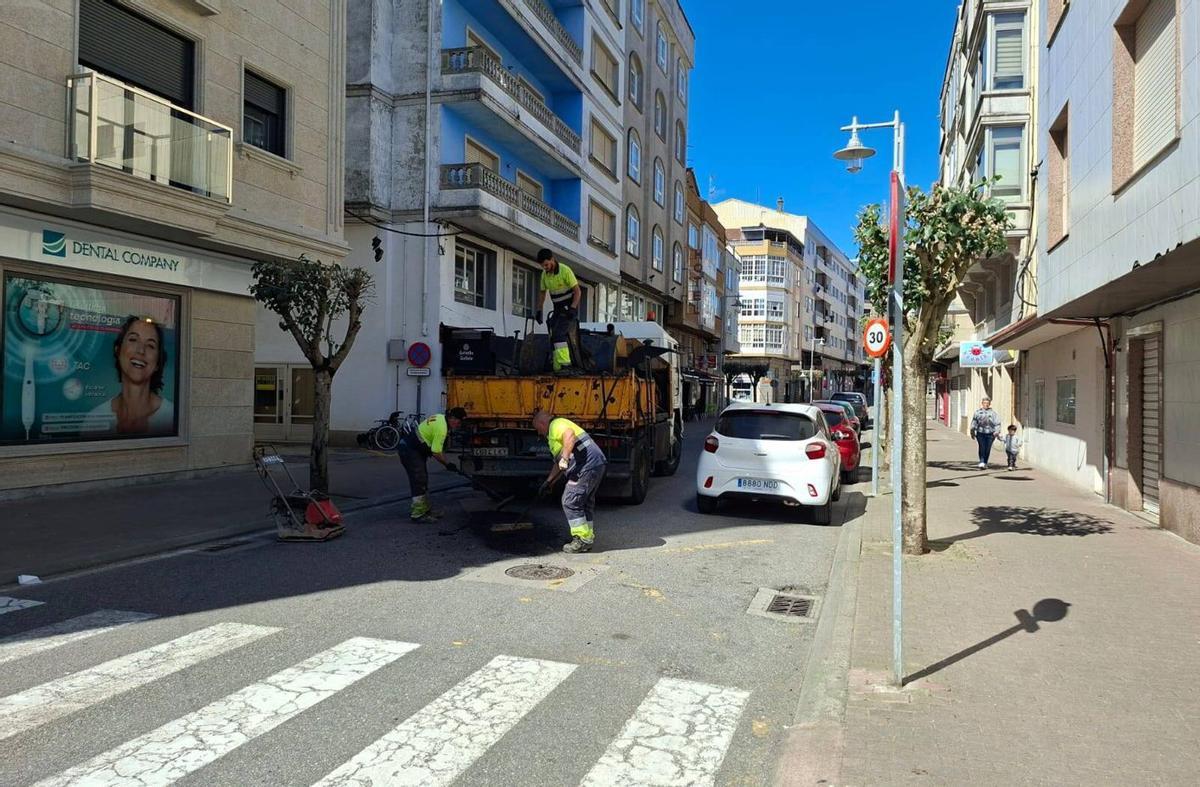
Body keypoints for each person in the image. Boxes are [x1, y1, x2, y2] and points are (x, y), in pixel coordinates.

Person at [533, 410, 607, 553]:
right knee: (584, 502)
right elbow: (558, 463)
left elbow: (569, 435)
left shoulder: (556, 424)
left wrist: (565, 458)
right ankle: (586, 537)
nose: (539, 433)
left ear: (542, 423)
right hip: (595, 464)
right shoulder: (554, 432)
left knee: (570, 500)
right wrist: (549, 482)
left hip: (587, 465)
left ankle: (582, 540)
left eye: (538, 429)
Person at [89, 316, 175, 435]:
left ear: (157, 363)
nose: (141, 350)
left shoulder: (172, 417)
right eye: (133, 340)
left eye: (150, 345)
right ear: (118, 350)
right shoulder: (94, 418)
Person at [398, 407, 467, 522]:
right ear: (452, 418)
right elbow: (436, 452)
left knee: (422, 479)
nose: (459, 425)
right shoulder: (442, 429)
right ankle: (418, 514)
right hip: (410, 450)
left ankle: (425, 510)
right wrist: (447, 464)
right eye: (459, 422)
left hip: (412, 447)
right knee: (419, 479)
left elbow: (434, 446)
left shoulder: (440, 417)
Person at [535, 248, 582, 373]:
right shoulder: (545, 275)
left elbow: (577, 291)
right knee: (552, 335)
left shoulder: (565, 271)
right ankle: (557, 367)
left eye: (546, 264)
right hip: (557, 309)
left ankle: (566, 365)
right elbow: (542, 293)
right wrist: (539, 310)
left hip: (568, 308)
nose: (545, 268)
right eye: (543, 266)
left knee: (559, 334)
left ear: (552, 259)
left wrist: (573, 308)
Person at [969, 397, 1001, 469]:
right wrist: (972, 431)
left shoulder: (993, 413)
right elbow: (974, 422)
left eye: (987, 403)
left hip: (990, 433)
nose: (986, 405)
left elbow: (997, 423)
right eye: (984, 403)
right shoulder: (977, 412)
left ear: (989, 404)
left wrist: (997, 432)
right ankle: (981, 461)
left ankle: (985, 462)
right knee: (982, 447)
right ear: (982, 404)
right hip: (980, 432)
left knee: (987, 448)